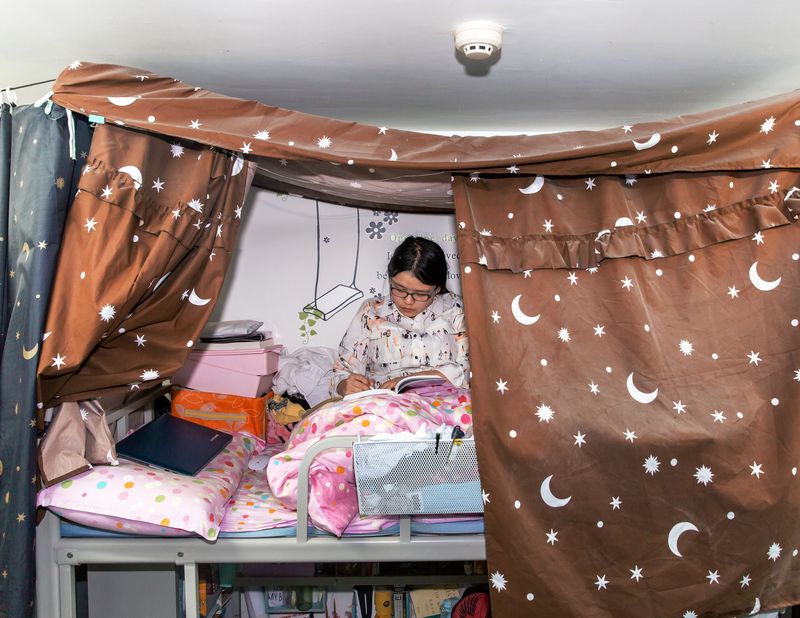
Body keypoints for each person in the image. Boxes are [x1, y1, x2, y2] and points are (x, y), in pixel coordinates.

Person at [331, 236, 470, 396]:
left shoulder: (457, 311)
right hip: (384, 406)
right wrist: (344, 385)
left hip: (444, 403)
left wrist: (417, 380)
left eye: (420, 294)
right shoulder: (371, 312)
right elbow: (342, 371)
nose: (408, 301)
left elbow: (473, 370)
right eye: (399, 289)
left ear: (437, 289)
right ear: (390, 280)